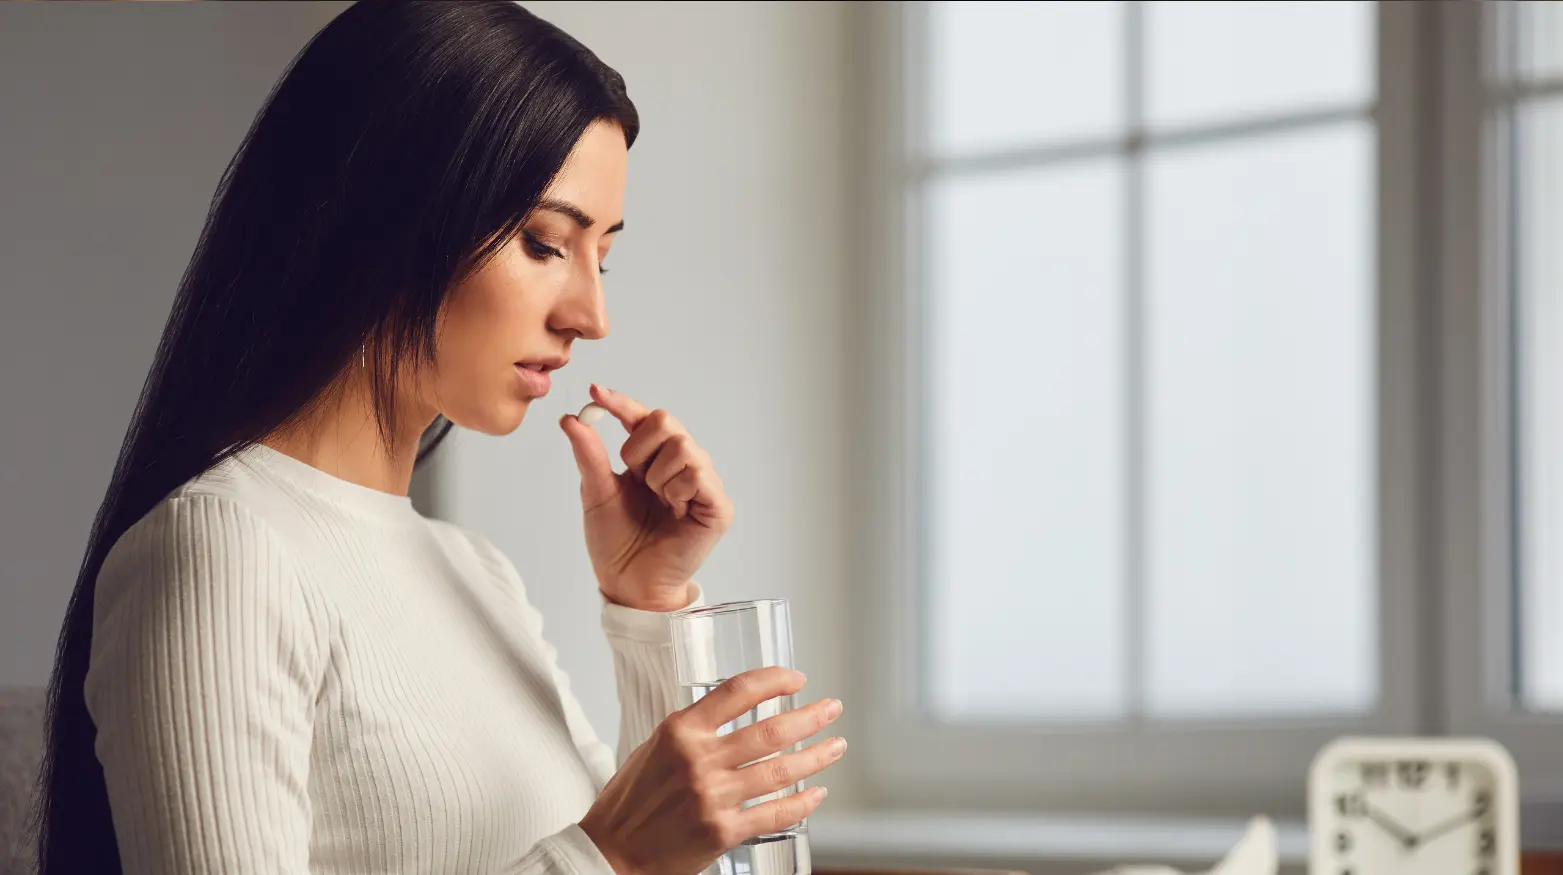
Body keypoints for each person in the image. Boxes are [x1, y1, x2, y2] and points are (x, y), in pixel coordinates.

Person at [30, 2, 845, 873]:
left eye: (599, 257)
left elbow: (640, 857)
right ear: (387, 216)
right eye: (543, 243)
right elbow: (612, 858)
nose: (590, 315)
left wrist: (648, 604)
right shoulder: (221, 549)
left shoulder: (474, 572)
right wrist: (609, 856)